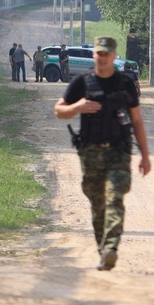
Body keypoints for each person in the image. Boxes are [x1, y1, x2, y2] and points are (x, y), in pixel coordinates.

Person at [54, 37, 151, 271]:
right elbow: (59, 110)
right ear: (95, 55)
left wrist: (145, 155)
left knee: (114, 198)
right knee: (98, 205)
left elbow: (137, 121)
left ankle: (111, 248)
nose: (103, 57)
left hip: (119, 152)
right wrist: (76, 107)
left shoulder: (125, 84)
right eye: (100, 53)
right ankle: (103, 251)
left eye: (107, 53)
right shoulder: (82, 82)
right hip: (90, 153)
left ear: (114, 55)